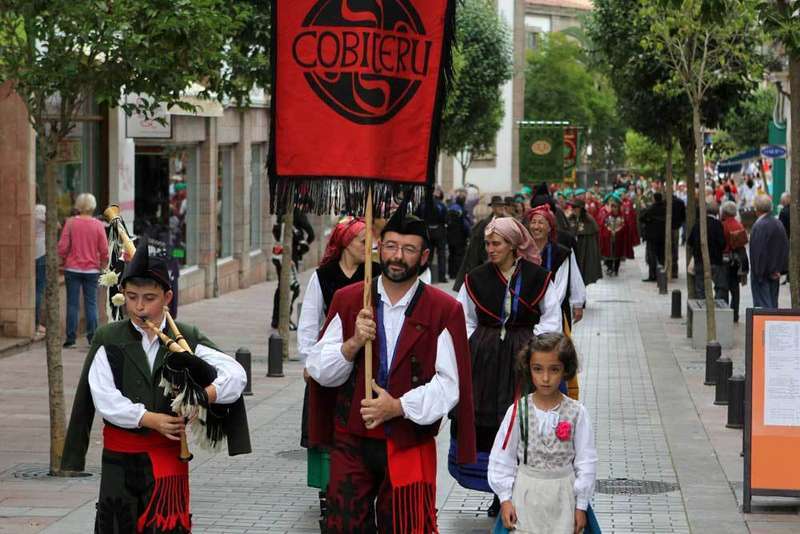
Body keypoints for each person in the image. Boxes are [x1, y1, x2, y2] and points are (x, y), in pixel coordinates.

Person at [61, 238, 250, 533]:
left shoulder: (185, 337)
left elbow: (236, 375)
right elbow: (103, 397)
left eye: (149, 298)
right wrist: (148, 418)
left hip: (167, 460)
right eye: (132, 296)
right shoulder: (109, 338)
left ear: (167, 297)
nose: (139, 306)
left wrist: (201, 396)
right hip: (119, 460)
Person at [305, 211, 477, 533]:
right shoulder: (349, 299)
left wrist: (397, 406)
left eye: (408, 249)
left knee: (404, 526)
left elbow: (449, 385)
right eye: (391, 246)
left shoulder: (444, 309)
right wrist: (353, 343)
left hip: (408, 440)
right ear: (379, 248)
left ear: (424, 256)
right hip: (352, 441)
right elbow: (319, 368)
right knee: (344, 527)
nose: (397, 256)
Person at [453, 217, 561, 516]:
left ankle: (524, 489)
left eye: (496, 243)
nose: (490, 249)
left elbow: (551, 318)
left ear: (513, 246)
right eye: (488, 243)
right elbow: (463, 318)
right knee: (491, 425)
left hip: (526, 359)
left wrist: (532, 344)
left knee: (524, 422)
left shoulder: (538, 277)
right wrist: (476, 343)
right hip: (485, 361)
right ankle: (497, 493)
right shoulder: (476, 278)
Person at [296, 217, 379, 527]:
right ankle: (325, 489)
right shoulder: (324, 276)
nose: (369, 247)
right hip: (331, 358)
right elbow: (309, 321)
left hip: (365, 362)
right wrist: (309, 361)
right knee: (324, 427)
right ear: (346, 243)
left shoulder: (375, 274)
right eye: (363, 242)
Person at [489, 333, 597, 534]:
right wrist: (505, 499)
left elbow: (586, 461)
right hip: (526, 498)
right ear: (528, 369)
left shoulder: (577, 413)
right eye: (538, 369)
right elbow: (502, 458)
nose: (545, 378)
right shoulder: (518, 411)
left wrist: (581, 505)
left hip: (563, 499)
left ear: (566, 369)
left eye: (554, 369)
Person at [57, 193, 109, 348]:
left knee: (72, 304)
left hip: (72, 268)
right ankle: (92, 338)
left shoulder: (70, 223)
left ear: (78, 206)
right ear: (93, 206)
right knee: (91, 304)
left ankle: (70, 339)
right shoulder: (98, 225)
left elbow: (62, 247)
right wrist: (103, 263)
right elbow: (104, 249)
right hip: (92, 270)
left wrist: (62, 260)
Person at [526, 205, 586, 330]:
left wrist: (577, 303)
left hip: (555, 311)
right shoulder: (523, 252)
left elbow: (569, 281)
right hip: (526, 312)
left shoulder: (561, 253)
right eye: (533, 222)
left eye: (541, 222)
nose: (536, 226)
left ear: (549, 227)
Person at [271, 207, 315, 330]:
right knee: (292, 287)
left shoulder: (281, 211)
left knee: (282, 286)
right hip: (289, 256)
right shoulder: (296, 213)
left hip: (278, 255)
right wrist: (302, 248)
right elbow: (311, 234)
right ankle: (285, 318)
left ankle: (276, 318)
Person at [453, 195, 507, 291]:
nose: (501, 208)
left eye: (502, 205)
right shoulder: (486, 223)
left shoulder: (507, 222)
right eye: (498, 205)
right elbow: (477, 246)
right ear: (493, 207)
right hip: (488, 258)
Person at [749, 195, 789, 308]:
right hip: (774, 272)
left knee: (763, 307)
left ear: (757, 209)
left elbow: (758, 252)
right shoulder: (778, 223)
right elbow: (784, 247)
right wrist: (780, 270)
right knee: (772, 305)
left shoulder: (759, 226)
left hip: (762, 274)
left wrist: (759, 273)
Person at [687, 202, 727, 299]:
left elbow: (690, 241)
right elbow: (722, 243)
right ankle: (717, 303)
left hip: (699, 260)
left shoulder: (698, 223)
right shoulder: (718, 224)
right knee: (720, 285)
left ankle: (702, 305)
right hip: (715, 261)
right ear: (717, 213)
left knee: (700, 287)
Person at [719, 201, 750, 322]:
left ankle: (726, 313)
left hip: (725, 260)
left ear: (724, 212)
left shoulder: (723, 225)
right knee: (735, 289)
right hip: (736, 261)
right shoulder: (739, 225)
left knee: (724, 287)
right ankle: (735, 314)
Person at [565, 199, 603, 286]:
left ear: (580, 208)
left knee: (584, 273)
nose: (573, 209)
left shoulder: (589, 220)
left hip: (585, 251)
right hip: (573, 251)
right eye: (572, 207)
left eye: (575, 207)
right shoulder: (570, 218)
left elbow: (593, 241)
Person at [639, 192, 667, 282]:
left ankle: (653, 275)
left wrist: (645, 211)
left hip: (652, 236)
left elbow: (641, 218)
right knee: (661, 255)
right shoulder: (665, 208)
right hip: (663, 235)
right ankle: (661, 275)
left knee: (652, 256)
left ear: (654, 199)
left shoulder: (651, 208)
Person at [598, 195, 627, 276]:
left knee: (617, 254)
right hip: (609, 238)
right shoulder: (608, 216)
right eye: (612, 207)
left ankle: (616, 269)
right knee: (609, 253)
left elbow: (623, 226)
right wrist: (610, 231)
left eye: (615, 207)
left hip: (618, 238)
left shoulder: (621, 217)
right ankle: (610, 268)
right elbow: (605, 225)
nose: (614, 209)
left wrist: (617, 231)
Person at [446, 194, 471, 281]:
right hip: (460, 237)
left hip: (450, 237)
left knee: (451, 255)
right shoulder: (462, 211)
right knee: (459, 256)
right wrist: (469, 234)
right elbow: (466, 225)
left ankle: (451, 273)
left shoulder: (450, 209)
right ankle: (458, 274)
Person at [34, 197, 46, 336]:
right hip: (42, 251)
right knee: (38, 289)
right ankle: (36, 323)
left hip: (29, 252)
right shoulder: (41, 209)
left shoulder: (28, 209)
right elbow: (56, 225)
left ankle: (34, 323)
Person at [670, 193, 687, 278]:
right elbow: (683, 216)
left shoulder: (666, 202)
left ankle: (670, 269)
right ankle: (674, 270)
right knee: (675, 249)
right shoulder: (680, 202)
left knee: (669, 249)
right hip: (676, 227)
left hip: (669, 228)